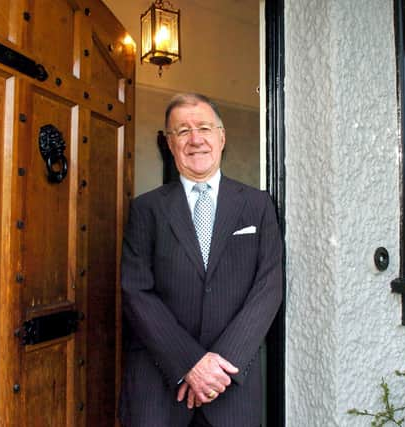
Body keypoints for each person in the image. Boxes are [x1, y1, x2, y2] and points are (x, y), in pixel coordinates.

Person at [119, 93, 283, 427]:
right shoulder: (146, 209)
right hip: (160, 385)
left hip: (232, 385)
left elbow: (268, 287)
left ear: (221, 138)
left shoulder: (258, 205)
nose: (195, 140)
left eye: (204, 128)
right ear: (169, 143)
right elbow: (137, 292)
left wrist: (219, 366)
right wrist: (190, 364)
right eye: (182, 131)